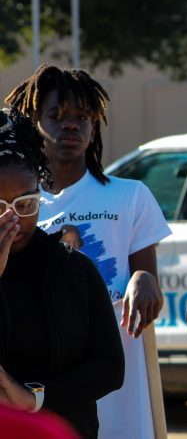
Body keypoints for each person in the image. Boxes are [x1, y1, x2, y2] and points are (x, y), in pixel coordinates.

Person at [5, 64, 172, 439]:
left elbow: (146, 280)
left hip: (117, 368)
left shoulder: (130, 195)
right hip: (53, 373)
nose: (71, 126)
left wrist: (144, 280)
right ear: (33, 122)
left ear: (95, 127)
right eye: (57, 116)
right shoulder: (22, 200)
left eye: (83, 117)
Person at [0, 108, 124, 438]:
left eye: (25, 204)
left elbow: (110, 367)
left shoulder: (73, 268)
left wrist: (36, 398)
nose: (13, 219)